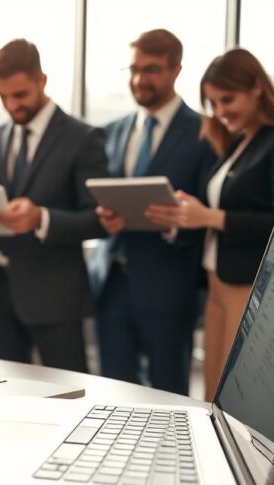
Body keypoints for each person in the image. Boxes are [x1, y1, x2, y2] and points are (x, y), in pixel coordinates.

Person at [146, 48, 274, 400]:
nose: (220, 112)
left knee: (239, 394)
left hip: (250, 284)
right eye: (213, 104)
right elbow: (227, 207)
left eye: (227, 100)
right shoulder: (239, 141)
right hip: (217, 279)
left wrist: (210, 216)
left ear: (256, 87)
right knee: (213, 390)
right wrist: (195, 211)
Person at [0, 39, 107, 373]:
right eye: (2, 96)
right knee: (5, 403)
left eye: (20, 94)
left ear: (42, 80)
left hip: (55, 296)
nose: (11, 104)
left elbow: (97, 220)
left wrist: (42, 218)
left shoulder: (83, 138)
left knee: (71, 398)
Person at [87, 29, 217, 396]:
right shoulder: (111, 131)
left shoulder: (205, 133)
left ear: (176, 70)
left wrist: (178, 224)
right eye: (133, 69)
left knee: (169, 393)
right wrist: (102, 218)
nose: (139, 80)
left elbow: (210, 213)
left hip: (170, 285)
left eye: (151, 70)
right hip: (111, 282)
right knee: (113, 392)